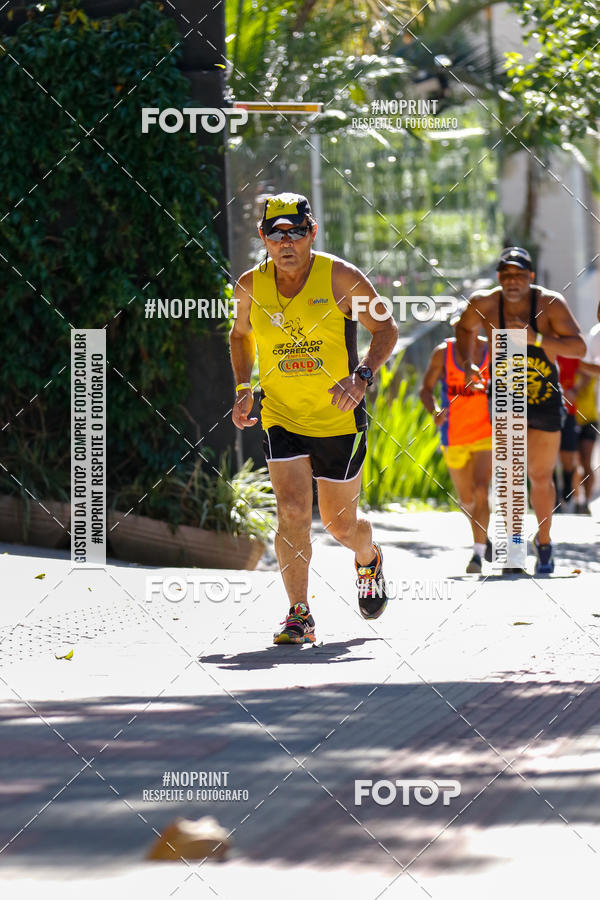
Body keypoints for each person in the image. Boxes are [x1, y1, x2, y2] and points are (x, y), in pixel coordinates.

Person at [229, 193, 398, 643]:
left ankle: (368, 555)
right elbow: (240, 335)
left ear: (312, 231)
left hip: (337, 419)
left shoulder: (339, 277)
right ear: (263, 237)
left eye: (296, 231)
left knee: (341, 525)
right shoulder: (249, 286)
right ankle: (298, 614)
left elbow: (386, 328)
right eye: (276, 233)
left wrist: (361, 377)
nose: (287, 242)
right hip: (281, 415)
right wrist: (244, 388)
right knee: (292, 511)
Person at [455, 247, 586, 574]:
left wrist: (538, 338)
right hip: (504, 397)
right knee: (511, 476)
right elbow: (463, 328)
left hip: (544, 398)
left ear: (531, 276)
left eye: (519, 274)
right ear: (499, 278)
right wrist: (469, 362)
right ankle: (514, 551)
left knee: (540, 476)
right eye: (506, 274)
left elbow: (578, 347)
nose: (512, 281)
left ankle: (543, 542)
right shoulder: (485, 303)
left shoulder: (549, 304)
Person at [419, 325, 492, 573]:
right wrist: (435, 410)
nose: (464, 333)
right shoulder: (443, 352)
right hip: (454, 436)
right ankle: (483, 534)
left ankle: (478, 555)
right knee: (467, 500)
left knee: (482, 490)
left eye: (468, 328)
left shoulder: (493, 350)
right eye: (459, 328)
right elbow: (425, 389)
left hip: (486, 433)